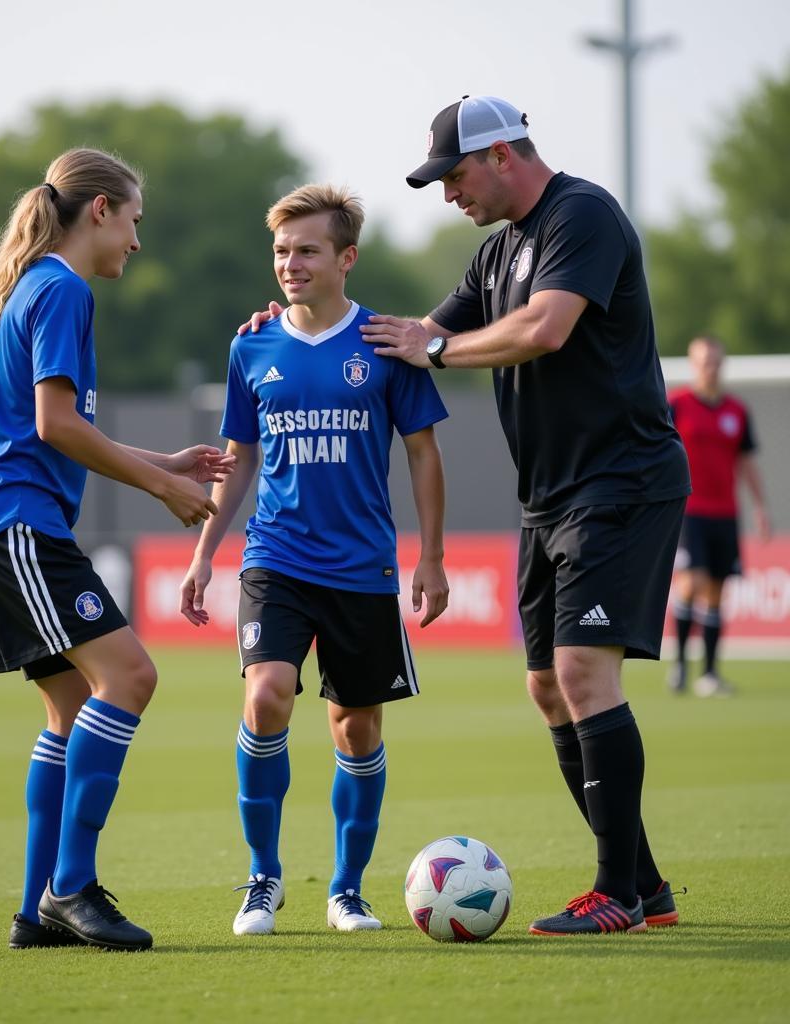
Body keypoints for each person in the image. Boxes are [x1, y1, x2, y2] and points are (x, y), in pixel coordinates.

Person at [248, 96, 690, 935]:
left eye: (454, 176)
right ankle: (647, 882)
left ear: (499, 154)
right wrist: (292, 322)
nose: (448, 194)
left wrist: (440, 349)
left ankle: (617, 893)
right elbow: (400, 334)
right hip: (550, 496)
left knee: (584, 675)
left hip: (622, 483)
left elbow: (545, 328)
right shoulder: (496, 254)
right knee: (547, 688)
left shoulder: (582, 214)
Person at [0, 147, 233, 951]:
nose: (137, 242)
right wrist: (163, 490)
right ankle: (70, 887)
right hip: (15, 522)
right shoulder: (64, 288)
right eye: (134, 221)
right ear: (99, 211)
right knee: (133, 675)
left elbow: (63, 430)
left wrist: (162, 462)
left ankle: (37, 913)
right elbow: (54, 427)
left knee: (72, 709)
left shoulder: (38, 283)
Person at [181, 184, 449, 935]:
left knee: (354, 729)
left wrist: (432, 557)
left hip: (364, 567)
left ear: (346, 258)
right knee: (266, 694)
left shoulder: (386, 345)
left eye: (306, 250)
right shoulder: (251, 345)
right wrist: (205, 553)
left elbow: (424, 454)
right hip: (276, 558)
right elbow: (238, 458)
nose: (290, 264)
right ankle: (262, 877)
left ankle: (347, 889)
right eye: (280, 251)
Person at [668, 335, 770, 697]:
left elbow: (746, 462)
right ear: (693, 364)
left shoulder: (736, 411)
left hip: (725, 513)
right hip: (688, 509)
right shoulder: (676, 404)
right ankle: (679, 664)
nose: (709, 367)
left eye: (715, 360)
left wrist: (760, 507)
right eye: (703, 361)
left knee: (715, 591)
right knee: (691, 582)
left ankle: (709, 674)